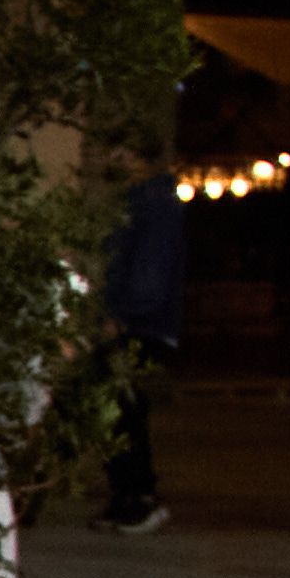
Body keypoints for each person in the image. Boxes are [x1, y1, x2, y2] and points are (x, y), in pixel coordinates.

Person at [95, 166, 184, 533]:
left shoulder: (154, 203)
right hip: (136, 318)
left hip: (139, 323)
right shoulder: (143, 201)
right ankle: (128, 491)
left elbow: (150, 270)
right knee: (117, 404)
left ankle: (138, 494)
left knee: (123, 404)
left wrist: (125, 313)